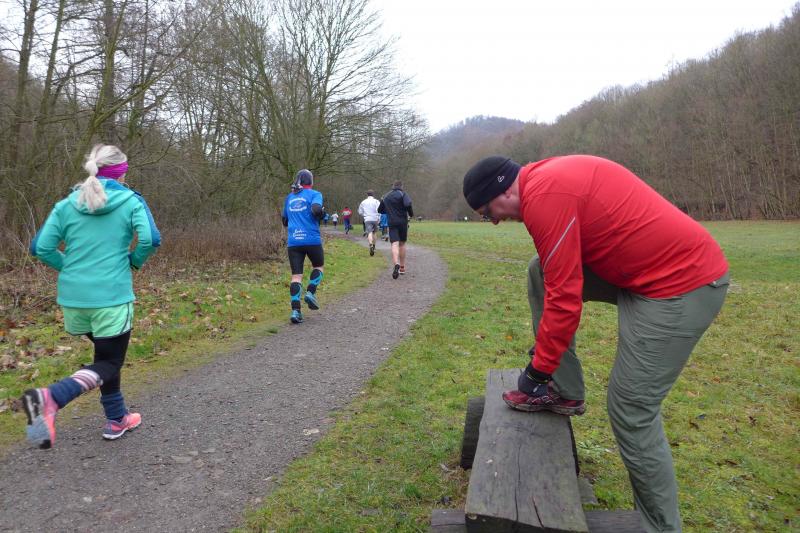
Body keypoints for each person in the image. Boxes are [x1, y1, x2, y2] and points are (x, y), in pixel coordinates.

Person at [462, 155, 729, 533]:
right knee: (539, 271)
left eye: (488, 212)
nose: (493, 221)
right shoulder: (541, 182)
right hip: (641, 273)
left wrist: (537, 370)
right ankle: (564, 390)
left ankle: (661, 528)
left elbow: (564, 298)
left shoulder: (545, 197)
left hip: (681, 285)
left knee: (631, 409)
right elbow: (558, 278)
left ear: (504, 190)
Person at [22, 144, 161, 449]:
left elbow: (40, 248)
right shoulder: (131, 201)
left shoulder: (67, 204)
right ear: (122, 173)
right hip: (111, 297)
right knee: (110, 361)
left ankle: (117, 418)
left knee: (105, 356)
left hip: (74, 300)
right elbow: (151, 239)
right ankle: (50, 398)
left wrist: (69, 267)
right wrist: (134, 262)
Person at [282, 169, 325, 324]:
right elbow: (316, 209)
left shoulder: (289, 197)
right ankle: (310, 292)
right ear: (311, 181)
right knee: (318, 266)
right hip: (312, 239)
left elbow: (284, 221)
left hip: (294, 242)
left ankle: (296, 311)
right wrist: (322, 214)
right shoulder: (315, 194)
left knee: (296, 276)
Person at [378, 180, 413, 279]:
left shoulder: (386, 196)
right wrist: (411, 214)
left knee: (394, 243)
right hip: (402, 222)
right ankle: (402, 267)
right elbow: (408, 204)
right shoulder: (403, 194)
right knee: (402, 244)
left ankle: (396, 263)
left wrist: (389, 210)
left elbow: (380, 210)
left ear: (393, 186)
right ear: (402, 186)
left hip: (392, 222)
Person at [358, 189, 381, 256]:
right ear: (373, 194)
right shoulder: (376, 201)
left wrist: (365, 215)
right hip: (375, 218)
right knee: (374, 233)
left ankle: (370, 244)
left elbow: (360, 212)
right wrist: (379, 218)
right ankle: (374, 246)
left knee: (369, 232)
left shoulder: (363, 202)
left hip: (367, 219)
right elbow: (379, 210)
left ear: (367, 194)